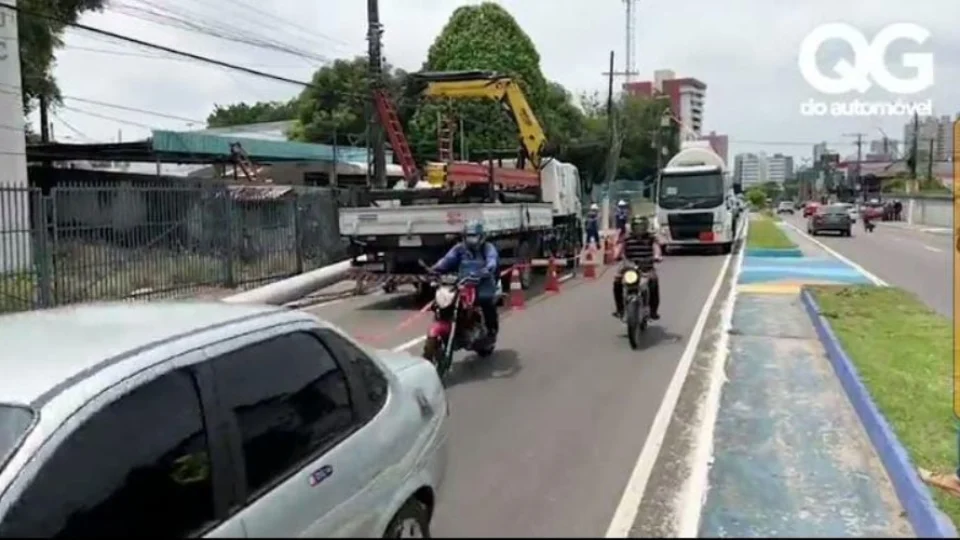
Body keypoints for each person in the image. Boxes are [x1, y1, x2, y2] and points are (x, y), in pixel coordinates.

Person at [430, 220, 499, 338]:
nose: (471, 239)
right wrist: (435, 269)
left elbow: (492, 260)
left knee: (487, 302)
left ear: (481, 237)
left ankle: (491, 330)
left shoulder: (487, 248)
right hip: (462, 284)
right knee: (441, 303)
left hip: (482, 284)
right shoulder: (459, 249)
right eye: (468, 236)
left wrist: (487, 269)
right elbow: (447, 260)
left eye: (474, 236)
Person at [613, 215, 662, 320]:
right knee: (617, 281)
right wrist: (616, 255)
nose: (639, 229)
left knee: (653, 281)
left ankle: (653, 311)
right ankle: (620, 309)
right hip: (628, 266)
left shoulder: (651, 238)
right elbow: (620, 248)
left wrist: (657, 256)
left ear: (645, 226)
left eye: (641, 226)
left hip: (646, 267)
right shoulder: (626, 238)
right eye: (636, 226)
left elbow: (656, 247)